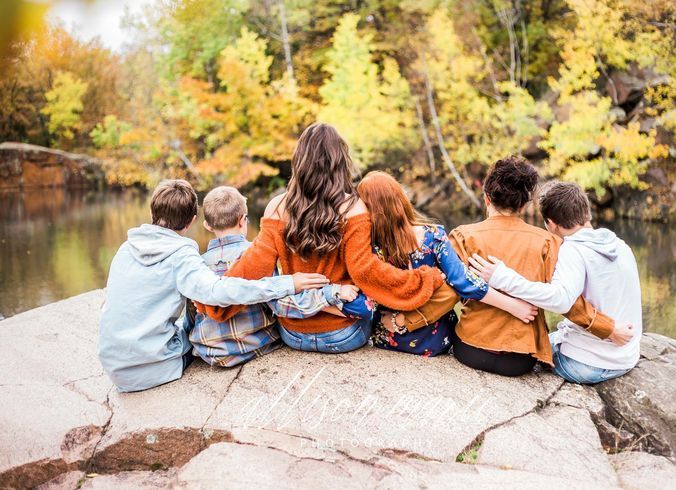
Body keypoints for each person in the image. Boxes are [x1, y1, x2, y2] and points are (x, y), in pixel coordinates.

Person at [198, 123, 443, 354]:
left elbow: (253, 266)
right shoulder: (354, 208)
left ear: (299, 162)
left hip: (292, 333)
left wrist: (214, 298)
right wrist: (422, 280)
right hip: (345, 334)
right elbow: (367, 271)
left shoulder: (277, 206)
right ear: (340, 162)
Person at [390, 155, 628, 377]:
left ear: (486, 198)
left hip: (471, 349)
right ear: (524, 206)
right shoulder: (549, 242)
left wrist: (406, 321)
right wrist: (608, 328)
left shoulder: (463, 237)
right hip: (520, 359)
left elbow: (448, 293)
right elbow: (569, 302)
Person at [98, 179, 329, 392]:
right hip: (154, 367)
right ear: (192, 221)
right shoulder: (182, 258)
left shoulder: (126, 249)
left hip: (113, 365)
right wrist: (288, 283)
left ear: (152, 212)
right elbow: (219, 292)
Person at [468, 181, 641, 384]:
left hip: (589, 364)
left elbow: (560, 300)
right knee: (551, 337)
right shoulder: (620, 246)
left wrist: (504, 278)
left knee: (530, 349)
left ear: (551, 224)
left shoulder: (573, 250)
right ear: (587, 213)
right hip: (627, 356)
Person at [356, 171, 538, 357]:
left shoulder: (368, 247)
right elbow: (463, 281)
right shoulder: (434, 235)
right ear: (400, 199)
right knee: (451, 286)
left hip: (387, 336)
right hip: (435, 341)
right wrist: (512, 305)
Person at [189, 186, 367, 367]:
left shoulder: (197, 262)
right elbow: (281, 305)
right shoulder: (255, 256)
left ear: (207, 225)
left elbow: (191, 311)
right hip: (255, 344)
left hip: (209, 351)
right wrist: (328, 294)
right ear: (243, 220)